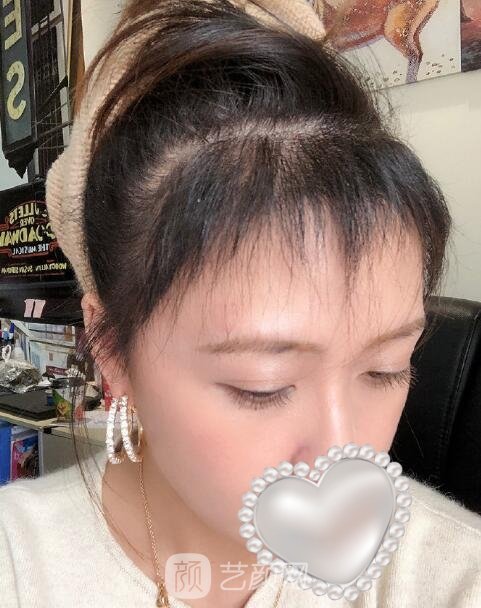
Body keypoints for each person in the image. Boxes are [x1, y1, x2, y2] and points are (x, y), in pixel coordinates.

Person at [1, 1, 481, 607]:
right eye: (262, 386)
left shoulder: (452, 576)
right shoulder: (18, 567)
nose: (345, 454)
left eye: (386, 369)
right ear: (112, 347)